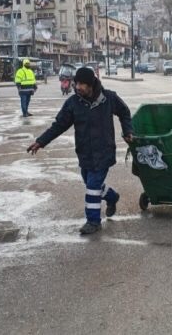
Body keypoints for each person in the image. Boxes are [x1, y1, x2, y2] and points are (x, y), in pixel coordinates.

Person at [27, 67, 133, 235]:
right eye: (77, 83)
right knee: (90, 182)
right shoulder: (73, 103)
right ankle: (112, 197)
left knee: (92, 186)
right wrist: (41, 141)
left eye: (82, 84)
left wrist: (128, 131)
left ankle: (93, 221)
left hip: (104, 151)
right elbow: (59, 125)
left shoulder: (109, 98)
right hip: (85, 152)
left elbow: (125, 113)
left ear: (91, 84)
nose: (78, 87)